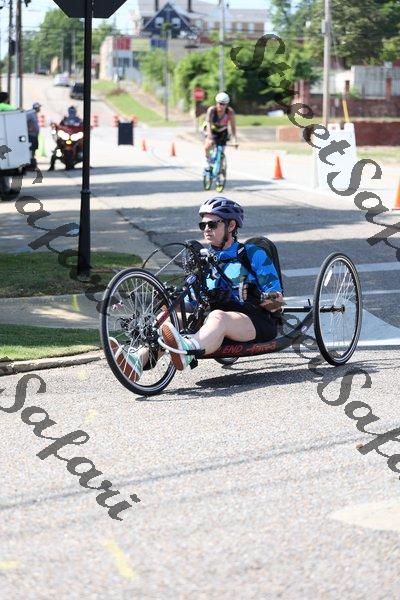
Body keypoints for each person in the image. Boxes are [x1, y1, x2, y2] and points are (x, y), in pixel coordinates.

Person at [110, 197, 283, 381]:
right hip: (213, 329)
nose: (206, 229)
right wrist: (162, 302)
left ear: (231, 225)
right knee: (169, 318)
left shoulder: (252, 253)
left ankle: (187, 351)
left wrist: (255, 295)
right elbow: (190, 304)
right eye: (203, 225)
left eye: (212, 224)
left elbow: (277, 304)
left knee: (218, 316)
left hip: (256, 322)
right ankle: (137, 360)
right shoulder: (203, 261)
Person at [204, 92, 237, 171]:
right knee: (208, 146)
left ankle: (220, 170)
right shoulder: (211, 110)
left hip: (223, 131)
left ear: (227, 104)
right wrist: (210, 137)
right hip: (212, 129)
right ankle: (208, 162)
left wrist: (234, 140)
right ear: (216, 103)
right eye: (220, 103)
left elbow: (233, 127)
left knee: (221, 150)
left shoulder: (230, 112)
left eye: (224, 104)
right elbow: (208, 124)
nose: (221, 106)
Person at [0, 92, 17, 198]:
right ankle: (5, 191)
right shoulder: (5, 107)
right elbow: (17, 111)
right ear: (6, 99)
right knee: (3, 170)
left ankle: (5, 190)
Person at [26, 102, 41, 169]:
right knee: (31, 149)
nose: (40, 109)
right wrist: (28, 129)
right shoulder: (30, 113)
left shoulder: (34, 114)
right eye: (39, 107)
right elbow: (24, 121)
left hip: (34, 135)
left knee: (34, 149)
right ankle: (30, 163)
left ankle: (32, 162)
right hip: (31, 135)